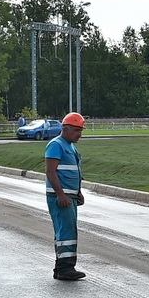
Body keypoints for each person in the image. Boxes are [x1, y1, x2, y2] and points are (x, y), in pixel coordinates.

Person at [45, 112, 87, 281]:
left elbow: (72, 172)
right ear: (66, 129)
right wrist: (60, 194)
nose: (79, 134)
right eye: (77, 130)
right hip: (61, 198)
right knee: (65, 231)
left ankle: (62, 267)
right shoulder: (56, 145)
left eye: (81, 130)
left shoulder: (70, 146)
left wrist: (78, 193)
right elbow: (50, 171)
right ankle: (65, 269)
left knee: (68, 230)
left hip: (70, 197)